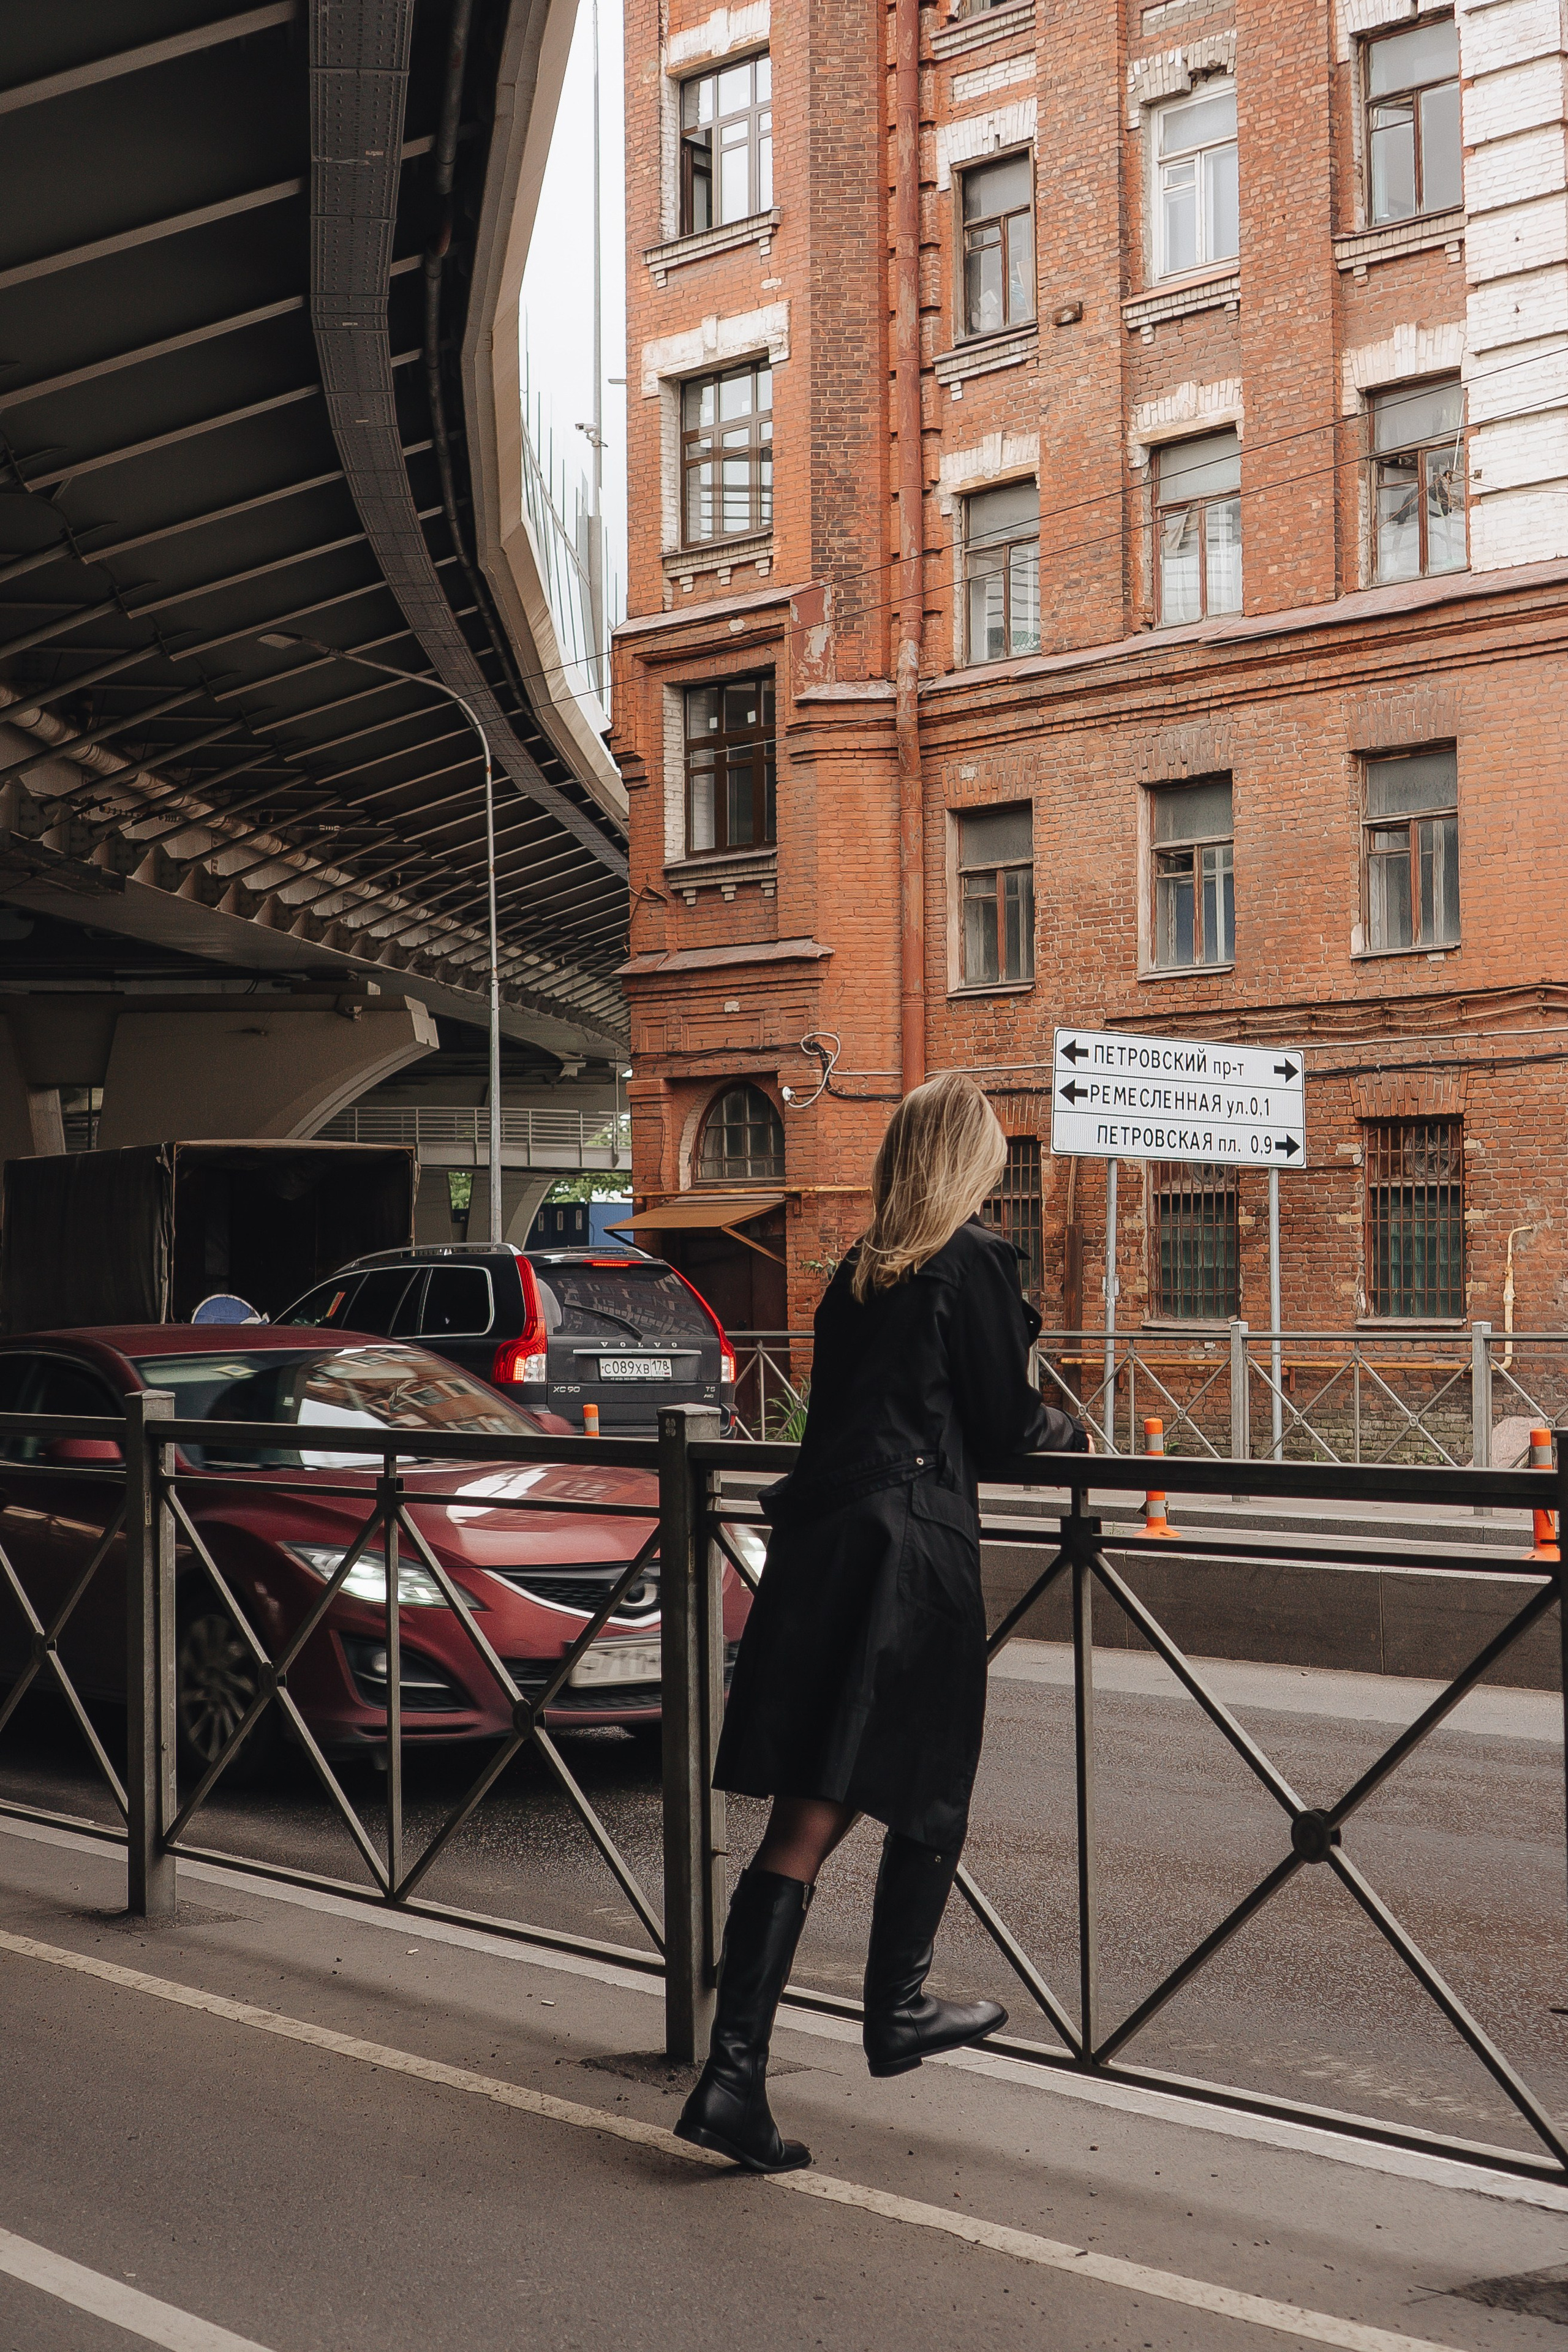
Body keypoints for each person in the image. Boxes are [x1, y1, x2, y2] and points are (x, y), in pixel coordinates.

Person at [675, 1072, 1091, 2173]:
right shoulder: (975, 1260)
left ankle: (731, 2080)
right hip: (912, 1558)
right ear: (969, 1164)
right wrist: (1070, 1425)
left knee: (809, 1816)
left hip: (830, 1550)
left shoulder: (858, 1275)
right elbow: (1002, 1426)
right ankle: (895, 2007)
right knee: (933, 1774)